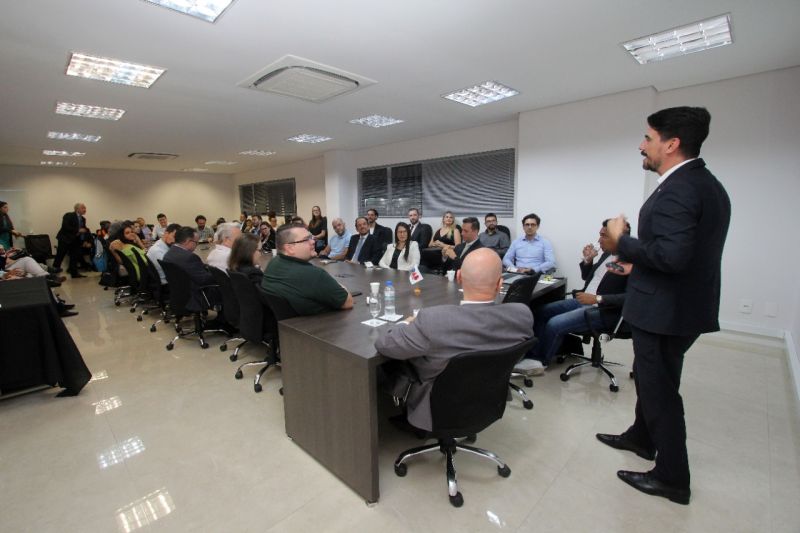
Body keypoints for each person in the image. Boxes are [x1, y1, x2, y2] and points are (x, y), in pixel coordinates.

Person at [598, 106, 731, 506]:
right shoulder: (705, 184)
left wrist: (621, 242)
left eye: (648, 138)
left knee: (660, 392)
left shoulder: (680, 189)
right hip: (679, 306)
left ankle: (672, 478)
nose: (641, 145)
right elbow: (681, 252)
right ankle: (641, 437)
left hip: (665, 311)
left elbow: (672, 257)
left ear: (671, 144)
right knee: (652, 380)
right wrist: (635, 257)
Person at [374, 248, 533, 431]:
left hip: (438, 408)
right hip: (489, 400)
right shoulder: (522, 316)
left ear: (458, 277)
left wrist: (406, 323)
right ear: (500, 284)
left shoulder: (433, 321)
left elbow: (384, 344)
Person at [515, 219, 630, 376]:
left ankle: (540, 360)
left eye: (604, 236)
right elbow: (588, 277)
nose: (599, 240)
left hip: (604, 310)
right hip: (583, 301)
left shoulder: (631, 261)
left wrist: (597, 299)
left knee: (554, 323)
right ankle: (532, 353)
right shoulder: (607, 254)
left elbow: (631, 297)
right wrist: (588, 261)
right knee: (539, 312)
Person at [262, 224, 354, 315]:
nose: (313, 241)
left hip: (286, 322)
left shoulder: (273, 263)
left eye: (311, 237)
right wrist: (342, 287)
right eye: (306, 239)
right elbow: (348, 302)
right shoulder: (313, 275)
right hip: (319, 323)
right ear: (290, 248)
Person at [163, 226, 220, 311]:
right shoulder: (189, 257)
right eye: (196, 242)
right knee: (226, 285)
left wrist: (204, 267)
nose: (196, 245)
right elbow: (204, 279)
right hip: (196, 295)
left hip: (180, 293)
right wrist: (219, 274)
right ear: (188, 241)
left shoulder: (169, 253)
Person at [53, 203, 90, 278]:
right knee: (60, 256)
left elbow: (84, 229)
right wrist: (78, 230)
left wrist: (85, 240)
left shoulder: (83, 219)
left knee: (74, 257)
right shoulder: (69, 215)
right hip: (65, 239)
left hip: (75, 240)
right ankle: (54, 273)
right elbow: (65, 226)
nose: (85, 210)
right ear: (77, 209)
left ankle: (74, 274)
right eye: (83, 208)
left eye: (85, 208)